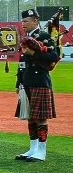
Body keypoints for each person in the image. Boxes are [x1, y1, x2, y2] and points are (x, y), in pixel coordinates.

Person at [13, 9, 59, 162]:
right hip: (26, 82)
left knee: (40, 118)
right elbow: (22, 64)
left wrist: (33, 53)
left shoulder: (45, 37)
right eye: (23, 21)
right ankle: (33, 149)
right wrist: (19, 82)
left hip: (40, 82)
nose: (23, 24)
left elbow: (54, 56)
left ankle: (42, 151)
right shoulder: (26, 39)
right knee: (30, 118)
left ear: (35, 21)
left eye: (26, 21)